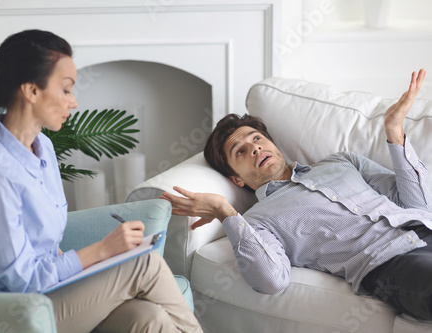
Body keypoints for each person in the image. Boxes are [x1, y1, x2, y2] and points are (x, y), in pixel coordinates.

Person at [0, 29, 202, 333]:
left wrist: (88, 263)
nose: (74, 102)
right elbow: (23, 280)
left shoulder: (41, 147)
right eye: (67, 89)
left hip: (48, 295)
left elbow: (45, 245)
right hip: (9, 313)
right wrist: (103, 250)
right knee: (144, 265)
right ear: (31, 90)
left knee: (149, 318)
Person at [161, 69, 432, 321]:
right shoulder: (257, 221)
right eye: (240, 151)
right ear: (236, 179)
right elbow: (270, 280)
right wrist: (226, 213)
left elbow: (420, 204)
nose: (254, 148)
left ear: (271, 143)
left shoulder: (341, 162)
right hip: (391, 263)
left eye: (256, 138)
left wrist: (395, 132)